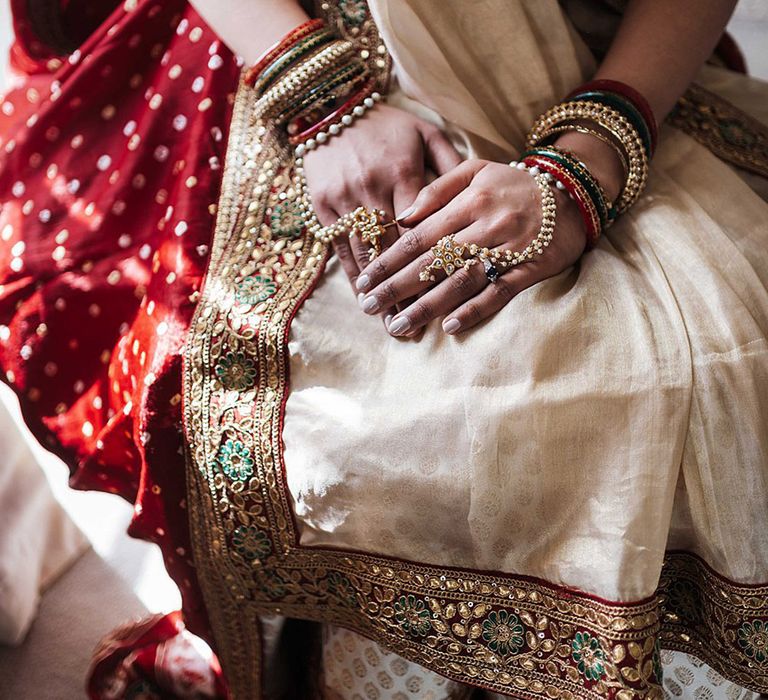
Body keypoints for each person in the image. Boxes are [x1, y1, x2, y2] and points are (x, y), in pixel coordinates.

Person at [0, 0, 766, 697]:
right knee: (374, 427)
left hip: (579, 59)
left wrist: (583, 168)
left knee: (710, 360)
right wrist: (318, 97)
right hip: (279, 49)